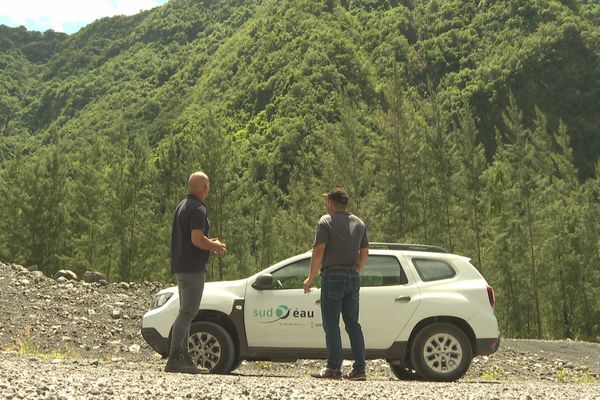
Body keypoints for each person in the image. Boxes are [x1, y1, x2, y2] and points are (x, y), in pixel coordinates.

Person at [303, 187, 369, 381]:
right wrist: (357, 271)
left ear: (331, 203)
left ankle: (333, 368)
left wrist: (310, 277)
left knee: (331, 324)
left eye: (327, 201)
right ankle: (359, 369)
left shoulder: (326, 221)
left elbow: (319, 250)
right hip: (353, 276)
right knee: (352, 323)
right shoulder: (359, 223)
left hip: (333, 275)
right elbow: (364, 253)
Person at [165, 172, 227, 374]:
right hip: (192, 268)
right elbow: (197, 239)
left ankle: (184, 357)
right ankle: (175, 357)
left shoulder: (182, 205)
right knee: (188, 312)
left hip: (180, 265)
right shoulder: (199, 209)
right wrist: (214, 245)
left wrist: (208, 242)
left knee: (186, 311)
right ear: (205, 187)